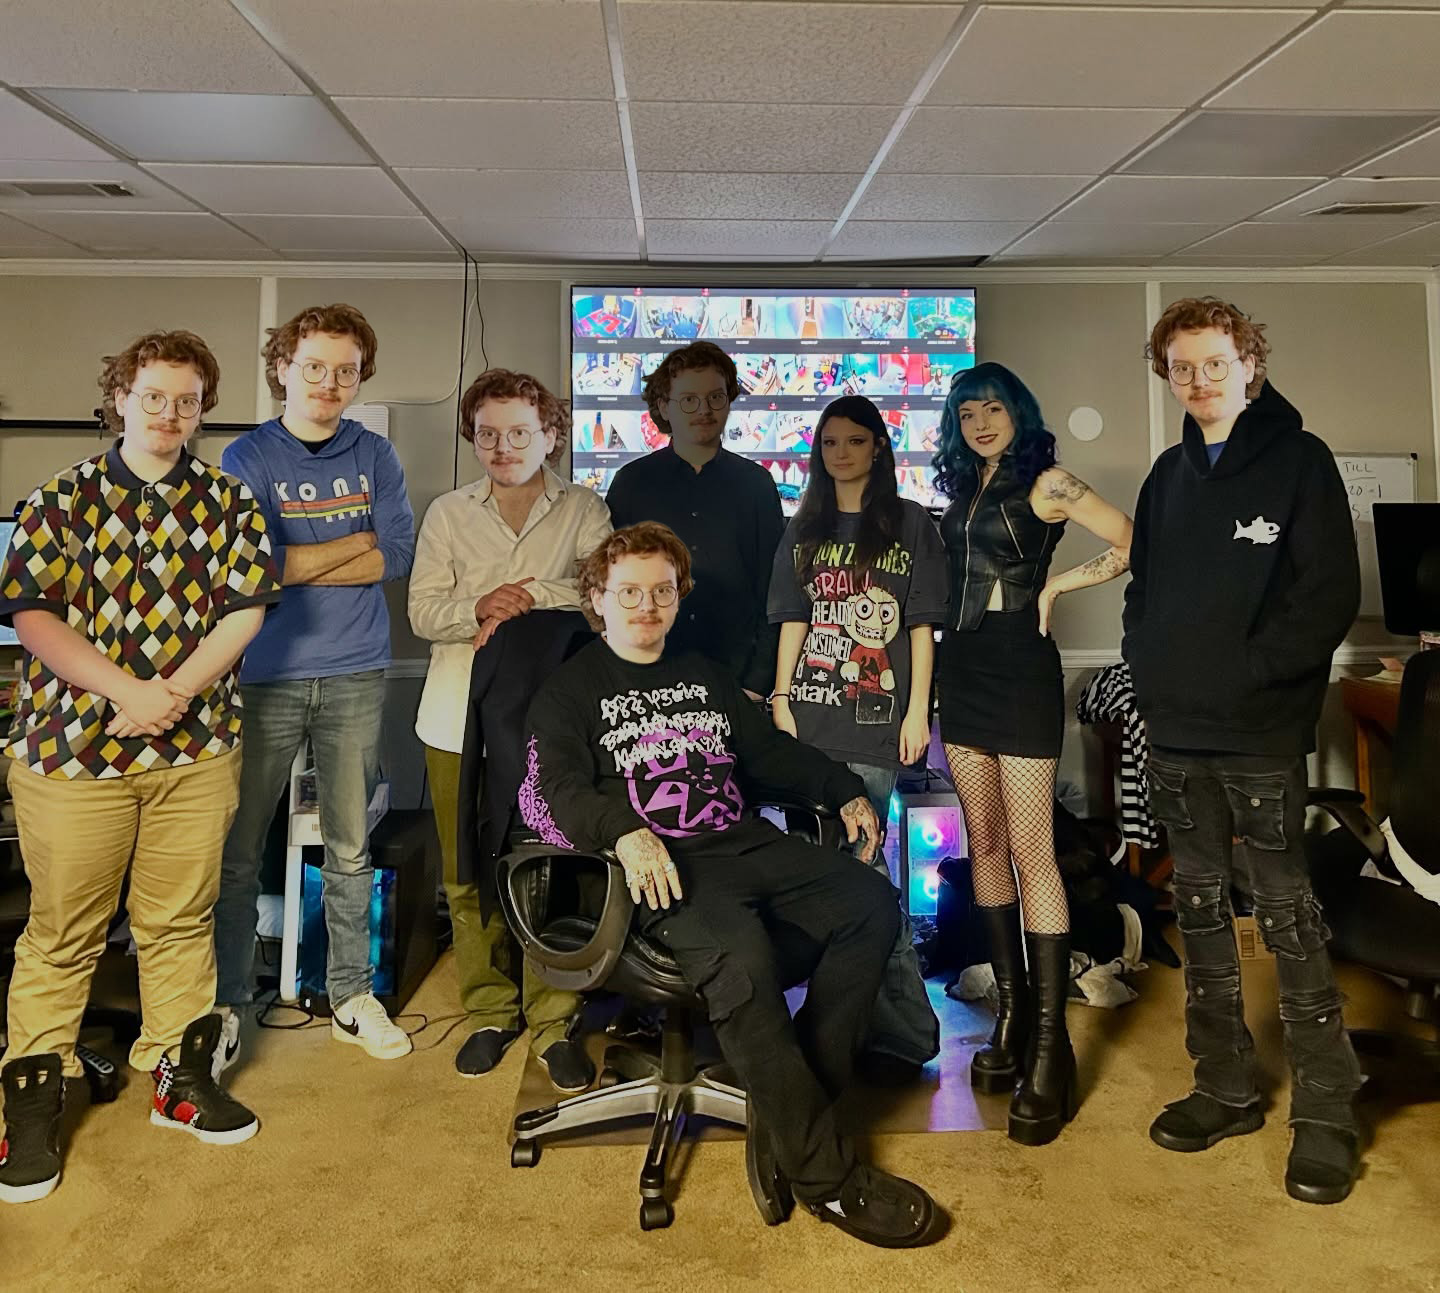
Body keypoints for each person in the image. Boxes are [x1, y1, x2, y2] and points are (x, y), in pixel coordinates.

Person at [519, 522, 942, 1249]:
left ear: (678, 596)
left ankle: (791, 1108)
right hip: (661, 869)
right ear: (597, 598)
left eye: (662, 591)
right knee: (743, 960)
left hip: (745, 843)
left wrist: (841, 788)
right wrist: (624, 831)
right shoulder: (568, 691)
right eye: (629, 593)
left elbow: (768, 751)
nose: (647, 606)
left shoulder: (704, 674)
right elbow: (557, 789)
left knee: (870, 904)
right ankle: (825, 1179)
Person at [0, 330, 283, 1205]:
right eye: (153, 395)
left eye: (187, 400)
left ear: (203, 410)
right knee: (63, 931)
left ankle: (177, 1076)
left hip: (194, 752)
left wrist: (172, 695)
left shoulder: (230, 502)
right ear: (119, 397)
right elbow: (34, 617)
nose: (169, 413)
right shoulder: (59, 499)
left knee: (178, 919)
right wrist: (129, 690)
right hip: (73, 753)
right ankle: (33, 1099)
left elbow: (244, 612)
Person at [1127, 297, 1363, 1204]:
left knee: (1287, 916)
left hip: (1260, 731)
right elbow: (1144, 589)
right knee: (1197, 912)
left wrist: (1251, 674)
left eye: (1214, 363)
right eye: (1182, 367)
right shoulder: (1167, 475)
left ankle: (1328, 1109)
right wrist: (1149, 663)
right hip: (1176, 730)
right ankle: (1224, 1086)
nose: (1198, 381)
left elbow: (1328, 594)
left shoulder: (1301, 461)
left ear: (1250, 363)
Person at [933, 362, 1133, 1145]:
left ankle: (1053, 1045)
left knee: (1031, 848)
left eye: (993, 408)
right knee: (982, 841)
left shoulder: (1050, 483)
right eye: (967, 412)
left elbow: (1129, 538)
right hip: (961, 668)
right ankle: (1012, 1014)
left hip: (1020, 668)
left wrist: (1058, 588)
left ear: (1017, 412)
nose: (981, 422)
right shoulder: (961, 488)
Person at [213, 303, 416, 1063]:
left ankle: (351, 997)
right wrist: (351, 541)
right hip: (265, 671)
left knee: (350, 847)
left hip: (358, 669)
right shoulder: (247, 456)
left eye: (345, 371)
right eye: (314, 368)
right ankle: (230, 1001)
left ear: (360, 377)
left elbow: (396, 554)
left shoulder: (376, 454)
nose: (329, 383)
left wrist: (302, 560)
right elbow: (252, 566)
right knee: (239, 849)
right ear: (282, 369)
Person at [408, 368, 610, 1088]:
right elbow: (423, 611)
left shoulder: (585, 508)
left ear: (550, 435)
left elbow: (600, 599)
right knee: (467, 868)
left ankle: (554, 1020)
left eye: (520, 432)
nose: (503, 446)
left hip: (553, 726)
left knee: (553, 864)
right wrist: (476, 607)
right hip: (455, 716)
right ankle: (490, 1010)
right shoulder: (447, 513)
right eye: (488, 434)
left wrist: (523, 595)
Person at [768, 395, 947, 1076]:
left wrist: (917, 711)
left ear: (879, 446)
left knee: (864, 875)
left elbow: (921, 627)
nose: (840, 453)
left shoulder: (910, 523)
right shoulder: (804, 525)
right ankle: (844, 1026)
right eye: (829, 442)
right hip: (807, 720)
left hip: (874, 723)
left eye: (854, 441)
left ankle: (905, 1032)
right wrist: (781, 698)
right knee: (823, 880)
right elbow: (792, 618)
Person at [604, 341, 784, 700]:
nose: (704, 410)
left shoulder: (757, 485)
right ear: (663, 407)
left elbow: (773, 589)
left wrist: (757, 682)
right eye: (688, 400)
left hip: (735, 679)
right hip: (645, 675)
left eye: (716, 397)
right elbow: (609, 585)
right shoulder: (630, 484)